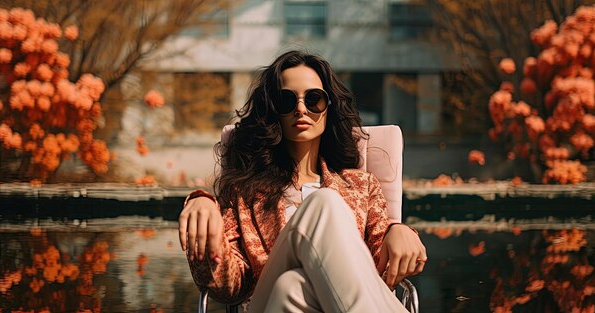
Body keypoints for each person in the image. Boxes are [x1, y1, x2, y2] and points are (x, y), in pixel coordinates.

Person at [178, 50, 427, 312]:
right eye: (286, 100)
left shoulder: (361, 186)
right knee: (324, 202)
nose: (300, 108)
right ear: (273, 111)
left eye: (313, 99)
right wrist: (202, 205)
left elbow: (379, 270)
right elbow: (229, 288)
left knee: (291, 287)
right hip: (264, 304)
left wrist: (399, 230)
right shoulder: (244, 192)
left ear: (328, 108)